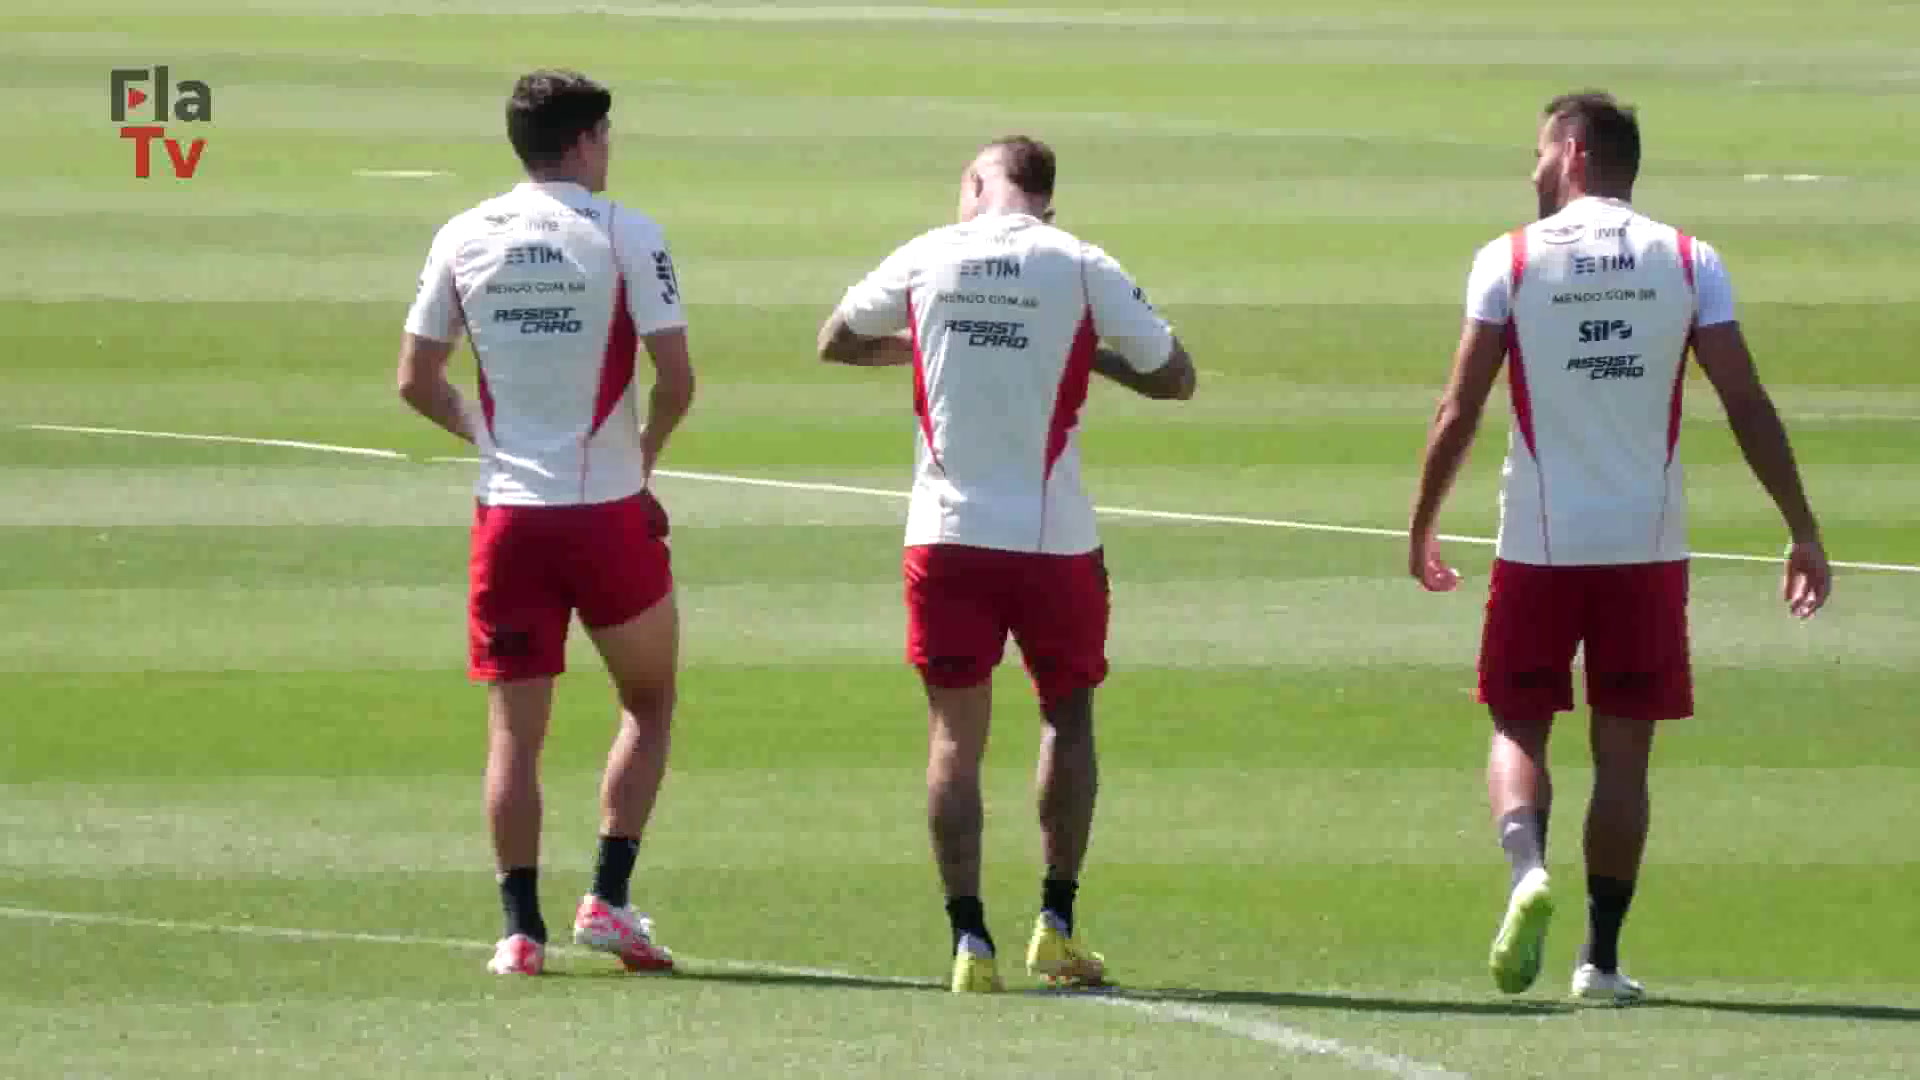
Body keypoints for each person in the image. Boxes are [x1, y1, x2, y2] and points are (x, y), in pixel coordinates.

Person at [1408, 91, 1831, 1003]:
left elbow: (1460, 407)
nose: (1530, 171)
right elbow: (1747, 401)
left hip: (1539, 543)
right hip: (1647, 549)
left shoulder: (1511, 258)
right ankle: (1599, 961)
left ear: (1571, 151)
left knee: (1519, 722)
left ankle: (1527, 873)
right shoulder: (1688, 258)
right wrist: (1801, 528)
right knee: (1624, 755)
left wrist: (1423, 520)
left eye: (1536, 153)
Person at [817, 136, 1196, 993]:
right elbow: (1176, 376)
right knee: (1068, 718)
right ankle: (1056, 926)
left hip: (945, 533)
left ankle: (969, 942)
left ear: (980, 185)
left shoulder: (929, 253)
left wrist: (931, 341)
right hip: (1053, 537)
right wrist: (1076, 350)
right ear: (1046, 200)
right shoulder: (1082, 264)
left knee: (955, 734)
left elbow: (835, 339)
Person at [396, 70, 696, 977]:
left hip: (510, 521)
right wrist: (635, 464)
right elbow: (677, 382)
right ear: (585, 140)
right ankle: (607, 899)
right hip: (604, 516)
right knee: (648, 701)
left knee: (512, 734)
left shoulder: (462, 232)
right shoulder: (624, 233)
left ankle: (517, 931)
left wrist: (484, 435)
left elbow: (415, 379)